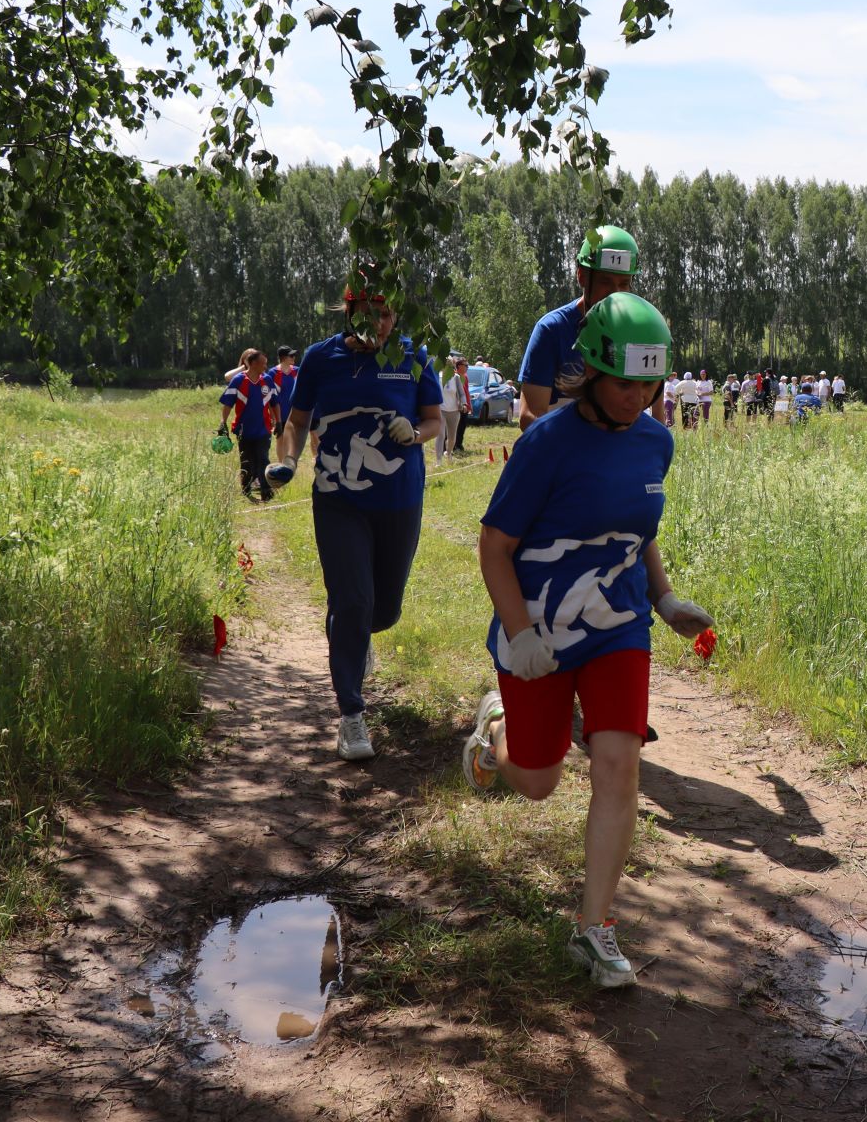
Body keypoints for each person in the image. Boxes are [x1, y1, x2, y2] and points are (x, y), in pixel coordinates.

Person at [461, 294, 713, 988]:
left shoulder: (657, 439)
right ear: (593, 374)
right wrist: (519, 633)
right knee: (538, 783)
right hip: (537, 629)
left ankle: (594, 929)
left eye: (650, 385)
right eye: (626, 383)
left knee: (617, 763)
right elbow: (494, 545)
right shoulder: (548, 441)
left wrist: (662, 598)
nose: (640, 398)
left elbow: (638, 524)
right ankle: (493, 734)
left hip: (617, 627)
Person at [267, 277, 443, 761]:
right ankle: (350, 715)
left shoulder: (413, 357)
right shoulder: (322, 359)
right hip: (338, 500)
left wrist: (415, 432)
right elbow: (297, 422)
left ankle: (357, 632)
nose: (379, 324)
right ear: (349, 314)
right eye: (369, 314)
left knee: (382, 610)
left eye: (386, 315)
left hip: (400, 500)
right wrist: (288, 460)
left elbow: (436, 420)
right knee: (353, 600)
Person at [518, 225, 640, 432]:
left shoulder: (639, 332)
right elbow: (530, 416)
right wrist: (581, 443)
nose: (615, 293)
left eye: (624, 284)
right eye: (606, 282)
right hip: (562, 454)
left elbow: (651, 413)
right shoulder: (552, 330)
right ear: (582, 276)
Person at [219, 348, 278, 501]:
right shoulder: (238, 381)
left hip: (264, 429)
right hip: (243, 430)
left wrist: (279, 422)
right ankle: (246, 488)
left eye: (266, 363)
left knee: (263, 459)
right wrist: (223, 423)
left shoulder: (267, 381)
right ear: (252, 363)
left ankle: (266, 490)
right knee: (247, 462)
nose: (265, 367)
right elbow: (227, 404)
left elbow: (274, 403)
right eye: (262, 363)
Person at [271, 347, 299, 460]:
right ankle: (281, 464)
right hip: (280, 414)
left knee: (293, 440)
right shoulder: (273, 373)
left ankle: (290, 464)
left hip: (295, 413)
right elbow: (271, 397)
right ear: (283, 358)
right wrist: (273, 417)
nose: (294, 358)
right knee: (280, 439)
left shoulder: (297, 371)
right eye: (291, 356)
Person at [440, 356, 468, 465]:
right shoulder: (437, 376)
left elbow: (462, 393)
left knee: (451, 437)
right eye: (446, 364)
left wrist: (464, 404)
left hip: (454, 410)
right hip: (441, 410)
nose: (448, 366)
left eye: (450, 364)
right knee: (441, 435)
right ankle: (439, 460)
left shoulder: (456, 378)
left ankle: (449, 452)